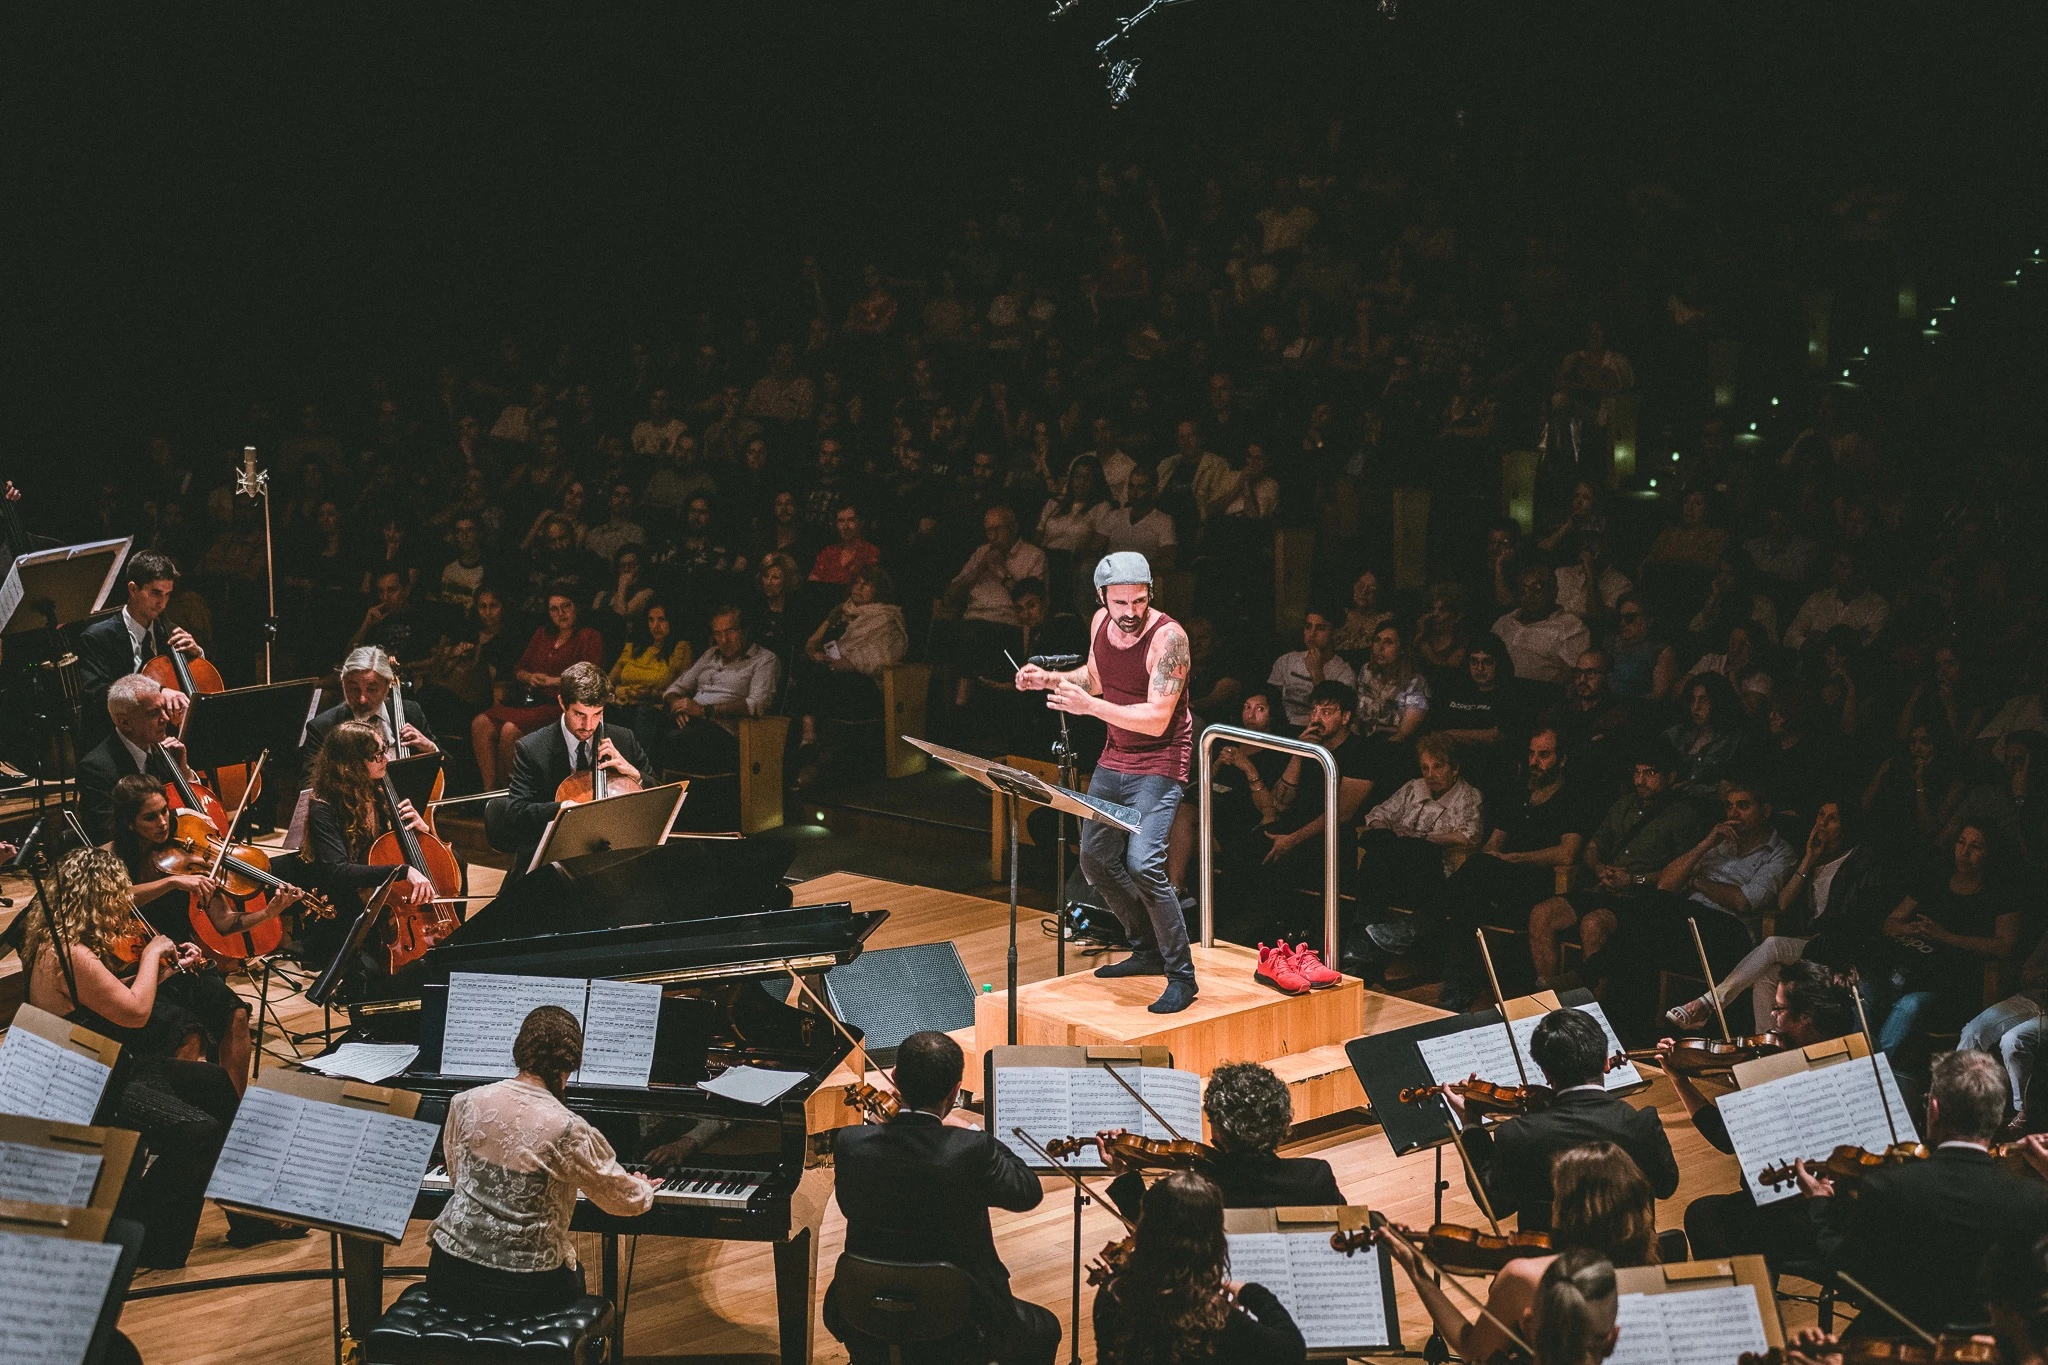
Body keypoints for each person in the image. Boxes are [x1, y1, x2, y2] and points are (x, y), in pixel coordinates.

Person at [21, 847, 296, 1267]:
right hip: (92, 1083)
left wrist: (164, 970)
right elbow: (133, 1013)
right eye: (116, 898)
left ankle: (246, 1212)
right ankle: (151, 1241)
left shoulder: (60, 939)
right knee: (197, 1130)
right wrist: (151, 957)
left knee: (218, 1085)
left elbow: (109, 996)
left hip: (109, 1064)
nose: (123, 908)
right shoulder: (69, 953)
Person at [1015, 552, 1197, 1014]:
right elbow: (1096, 679)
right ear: (1102, 598)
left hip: (1159, 759)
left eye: (1139, 600)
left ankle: (1182, 975)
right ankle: (1146, 948)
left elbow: (1157, 719)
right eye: (1121, 602)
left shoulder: (1169, 638)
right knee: (1095, 860)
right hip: (1116, 755)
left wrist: (1088, 708)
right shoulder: (1100, 622)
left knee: (1144, 864)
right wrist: (1050, 679)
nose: (1131, 611)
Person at [827, 1031, 1060, 1365]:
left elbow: (850, 1206)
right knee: (1045, 1329)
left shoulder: (850, 1142)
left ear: (894, 1078)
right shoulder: (970, 1149)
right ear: (955, 1090)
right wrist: (971, 1131)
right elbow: (1027, 1191)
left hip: (864, 1308)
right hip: (959, 1320)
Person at [1798, 1050, 2048, 1335]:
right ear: (1996, 1115)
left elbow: (1849, 1273)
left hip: (1901, 1342)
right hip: (1997, 1349)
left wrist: (1819, 1206)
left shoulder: (1887, 1189)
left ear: (1935, 1109)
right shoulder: (2035, 1199)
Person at [428, 1005, 655, 1313]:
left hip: (448, 1271)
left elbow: (458, 1179)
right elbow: (620, 1200)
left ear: (520, 1051)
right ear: (571, 1063)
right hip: (525, 1287)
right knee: (576, 1276)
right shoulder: (568, 1127)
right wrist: (642, 1187)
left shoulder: (465, 1102)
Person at [107, 773, 306, 1092]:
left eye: (165, 812)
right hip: (137, 973)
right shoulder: (111, 859)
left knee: (237, 1015)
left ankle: (231, 1111)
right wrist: (170, 882)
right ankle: (182, 1117)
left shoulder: (186, 857)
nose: (162, 823)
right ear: (129, 824)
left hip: (181, 964)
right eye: (150, 817)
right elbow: (111, 897)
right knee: (187, 1035)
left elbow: (225, 923)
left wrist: (269, 912)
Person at [1661, 959, 1858, 1266]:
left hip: (1800, 1220)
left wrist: (1679, 1080)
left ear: (1805, 1017)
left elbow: (1723, 1138)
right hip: (1853, 1218)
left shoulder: (1780, 1072)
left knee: (1703, 1215)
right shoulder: (1856, 1058)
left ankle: (1749, 1299)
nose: (1772, 1016)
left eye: (1779, 1009)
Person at [1394, 1143, 1655, 1365]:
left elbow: (1473, 1350)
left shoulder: (1527, 1277)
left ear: (1565, 1209)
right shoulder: (1653, 1272)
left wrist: (1417, 1272)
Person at [1666, 798, 1892, 1034]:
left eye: (1832, 818)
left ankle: (1708, 1003)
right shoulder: (1815, 857)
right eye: (1820, 816)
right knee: (1767, 977)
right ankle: (1768, 1045)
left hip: (1839, 947)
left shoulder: (1860, 860)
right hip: (1814, 943)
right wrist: (1809, 858)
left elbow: (1856, 917)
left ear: (1846, 823)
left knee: (1773, 945)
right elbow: (1783, 903)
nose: (1823, 824)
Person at [1451, 1007, 1679, 1231]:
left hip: (1553, 1265)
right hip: (1632, 1260)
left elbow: (1496, 1204)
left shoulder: (1518, 1135)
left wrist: (1472, 1126)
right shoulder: (1642, 1123)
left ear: (1546, 1073)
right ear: (1606, 1062)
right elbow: (1666, 1187)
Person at [1424, 728, 1592, 1010]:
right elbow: (1493, 846)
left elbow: (1567, 852)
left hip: (1540, 881)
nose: (1534, 761)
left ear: (1561, 760)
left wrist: (1514, 859)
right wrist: (1494, 861)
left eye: (1544, 755)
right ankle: (1457, 986)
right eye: (1531, 754)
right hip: (1501, 878)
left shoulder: (1571, 798)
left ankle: (1426, 928)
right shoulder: (1518, 793)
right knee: (1469, 897)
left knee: (1470, 889)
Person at [1524, 745, 1708, 991]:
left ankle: (1594, 1011)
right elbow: (1592, 847)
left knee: (1593, 924)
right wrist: (1599, 867)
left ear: (1670, 776)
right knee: (1541, 913)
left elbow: (1680, 874)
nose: (1641, 780)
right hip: (1604, 887)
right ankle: (1547, 998)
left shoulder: (1683, 816)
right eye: (1637, 772)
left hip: (1642, 897)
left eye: (1650, 773)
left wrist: (1632, 879)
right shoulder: (1623, 806)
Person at [1093, 1171, 1306, 1365]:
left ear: (1146, 1230)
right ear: (1212, 1241)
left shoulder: (1112, 1293)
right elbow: (1291, 1350)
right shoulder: (1216, 1320)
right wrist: (1252, 1293)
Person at [1105, 1061, 1342, 1222]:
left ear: (1219, 1130)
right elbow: (1348, 1230)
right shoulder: (1315, 1177)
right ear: (1282, 1123)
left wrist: (1124, 1174)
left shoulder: (1194, 1193)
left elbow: (1150, 1239)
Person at [1875, 823, 2022, 1060]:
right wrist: (1911, 929)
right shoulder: (1936, 879)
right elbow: (1890, 923)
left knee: (1909, 1005)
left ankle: (1873, 1074)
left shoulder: (1999, 893)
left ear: (1990, 853)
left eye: (1976, 846)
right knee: (1866, 989)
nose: (1964, 852)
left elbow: (2005, 945)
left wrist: (1946, 937)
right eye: (1961, 842)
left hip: (1952, 986)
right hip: (1910, 970)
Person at [302, 721, 440, 967]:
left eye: (384, 750)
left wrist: (423, 830)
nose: (385, 759)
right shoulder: (322, 807)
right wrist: (402, 871)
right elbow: (338, 870)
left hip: (382, 898)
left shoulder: (379, 787)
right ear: (350, 765)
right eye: (376, 755)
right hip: (346, 908)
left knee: (458, 862)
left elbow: (398, 849)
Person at [1347, 733, 1485, 978]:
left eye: (1438, 767)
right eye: (1425, 767)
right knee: (1379, 848)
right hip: (1396, 863)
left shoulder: (1469, 795)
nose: (1430, 774)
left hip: (1435, 870)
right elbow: (1377, 813)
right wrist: (1387, 830)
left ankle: (1361, 941)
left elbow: (1469, 836)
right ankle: (1365, 938)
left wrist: (1420, 837)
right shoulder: (1413, 787)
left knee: (1398, 851)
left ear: (1454, 768)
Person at [497, 662, 649, 874]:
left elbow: (657, 793)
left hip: (611, 862)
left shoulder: (623, 739)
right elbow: (516, 812)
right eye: (579, 714)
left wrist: (634, 774)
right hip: (551, 865)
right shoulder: (533, 748)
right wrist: (563, 809)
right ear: (562, 703)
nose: (589, 726)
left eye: (597, 714)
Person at [470, 584, 606, 790]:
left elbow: (590, 675)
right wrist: (530, 677)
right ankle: (490, 793)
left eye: (566, 606)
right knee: (480, 723)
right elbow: (519, 668)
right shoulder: (543, 633)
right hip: (530, 700)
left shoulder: (589, 636)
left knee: (510, 730)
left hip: (560, 705)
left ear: (576, 607)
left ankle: (517, 793)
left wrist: (554, 681)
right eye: (554, 609)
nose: (561, 614)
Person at [76, 549, 205, 746]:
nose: (162, 603)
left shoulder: (168, 631)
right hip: (118, 740)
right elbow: (99, 694)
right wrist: (158, 691)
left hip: (166, 739)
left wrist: (196, 655)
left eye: (167, 595)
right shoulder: (97, 637)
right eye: (155, 593)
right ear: (133, 589)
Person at [658, 605, 781, 773]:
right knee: (645, 719)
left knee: (675, 738)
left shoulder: (764, 660)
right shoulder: (711, 654)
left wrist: (705, 710)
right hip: (692, 720)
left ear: (745, 631)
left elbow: (756, 704)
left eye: (730, 632)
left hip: (726, 731)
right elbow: (675, 688)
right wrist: (677, 706)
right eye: (718, 633)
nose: (723, 640)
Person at [76, 672, 195, 844]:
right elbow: (106, 836)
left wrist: (183, 770)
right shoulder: (96, 769)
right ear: (125, 723)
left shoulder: (165, 752)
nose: (166, 719)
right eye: (153, 713)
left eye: (164, 708)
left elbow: (192, 806)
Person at [302, 645, 439, 767]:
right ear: (343, 685)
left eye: (372, 689)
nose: (362, 699)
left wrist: (432, 749)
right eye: (354, 689)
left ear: (387, 686)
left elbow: (449, 774)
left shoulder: (411, 712)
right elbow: (309, 787)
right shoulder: (323, 728)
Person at [1267, 603, 1357, 729]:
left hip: (1319, 730)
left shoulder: (1344, 672)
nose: (1312, 634)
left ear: (1333, 633)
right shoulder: (1286, 660)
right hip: (1283, 726)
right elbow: (1270, 700)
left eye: (1320, 628)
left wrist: (1317, 672)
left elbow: (1336, 714)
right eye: (1308, 627)